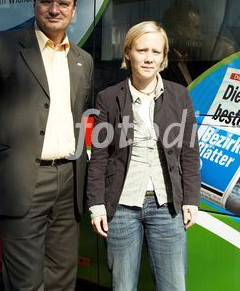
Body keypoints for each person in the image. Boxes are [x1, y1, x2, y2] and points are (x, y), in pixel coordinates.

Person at [0, 0, 93, 290]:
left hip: (69, 183)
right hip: (20, 182)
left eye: (63, 4)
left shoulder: (83, 60)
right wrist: (1, 164)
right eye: (46, 1)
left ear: (74, 10)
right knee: (26, 284)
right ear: (34, 4)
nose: (54, 9)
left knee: (63, 280)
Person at [86, 21, 201, 291]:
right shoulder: (109, 98)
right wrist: (96, 206)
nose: (149, 58)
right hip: (121, 207)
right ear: (128, 53)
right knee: (123, 286)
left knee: (173, 286)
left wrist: (191, 200)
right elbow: (99, 157)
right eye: (142, 50)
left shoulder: (179, 96)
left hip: (167, 206)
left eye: (156, 52)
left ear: (164, 57)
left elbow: (189, 152)